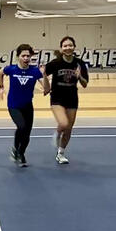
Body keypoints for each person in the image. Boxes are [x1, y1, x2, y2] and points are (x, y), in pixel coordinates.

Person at [43, 36, 89, 164]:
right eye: (65, 46)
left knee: (69, 128)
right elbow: (42, 74)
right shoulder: (55, 63)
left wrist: (80, 77)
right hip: (57, 97)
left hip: (72, 98)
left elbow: (85, 84)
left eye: (70, 45)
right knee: (63, 123)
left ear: (74, 47)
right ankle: (57, 134)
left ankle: (61, 153)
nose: (68, 48)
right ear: (61, 48)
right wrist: (44, 83)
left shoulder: (79, 63)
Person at [0, 43, 45, 167]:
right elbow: (0, 72)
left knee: (27, 134)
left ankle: (21, 153)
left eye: (28, 56)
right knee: (21, 126)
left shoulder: (35, 71)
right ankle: (15, 149)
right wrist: (1, 87)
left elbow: (46, 88)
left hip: (27, 106)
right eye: (23, 56)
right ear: (18, 56)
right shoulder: (11, 69)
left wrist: (44, 75)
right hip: (13, 105)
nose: (26, 58)